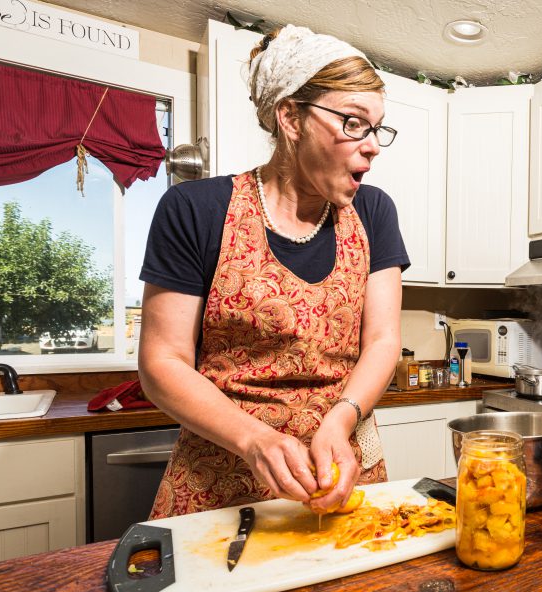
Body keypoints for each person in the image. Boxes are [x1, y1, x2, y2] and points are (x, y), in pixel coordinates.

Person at [139, 25, 408, 518]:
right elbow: (163, 363)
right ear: (290, 118)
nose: (371, 145)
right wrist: (254, 438)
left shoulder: (373, 212)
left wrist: (340, 420)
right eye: (354, 123)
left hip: (345, 467)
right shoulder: (195, 209)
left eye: (376, 128)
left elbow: (383, 341)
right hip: (222, 480)